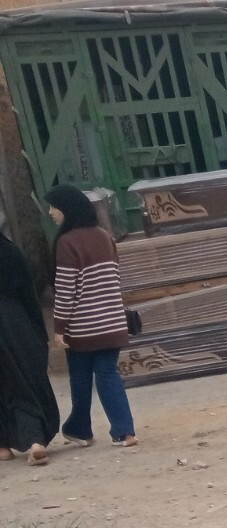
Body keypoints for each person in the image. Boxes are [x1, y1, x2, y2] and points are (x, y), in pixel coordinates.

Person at [45, 184, 136, 448]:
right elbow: (115, 278)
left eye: (54, 207)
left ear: (67, 209)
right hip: (112, 321)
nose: (51, 212)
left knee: (80, 377)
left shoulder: (66, 242)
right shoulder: (104, 236)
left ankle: (82, 429)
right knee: (108, 373)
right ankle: (124, 431)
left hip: (83, 326)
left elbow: (65, 291)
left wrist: (59, 327)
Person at [0, 225, 60, 465]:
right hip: (14, 321)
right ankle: (35, 440)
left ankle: (3, 447)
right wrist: (38, 333)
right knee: (24, 381)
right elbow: (28, 294)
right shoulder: (9, 252)